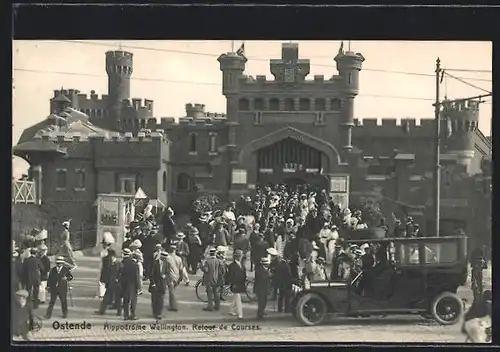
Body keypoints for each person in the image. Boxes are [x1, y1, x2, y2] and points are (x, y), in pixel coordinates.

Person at [95, 249, 120, 315]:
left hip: (110, 281)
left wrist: (102, 279)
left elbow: (103, 271)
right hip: (113, 281)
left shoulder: (106, 260)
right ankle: (118, 310)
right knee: (115, 296)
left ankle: (102, 311)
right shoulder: (116, 263)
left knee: (107, 296)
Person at [202, 247, 225, 312]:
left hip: (209, 280)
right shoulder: (219, 261)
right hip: (217, 280)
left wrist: (201, 267)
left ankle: (210, 307)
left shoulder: (208, 262)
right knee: (216, 293)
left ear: (210, 254)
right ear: (215, 253)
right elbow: (223, 271)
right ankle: (217, 306)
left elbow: (206, 270)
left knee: (209, 294)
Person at [120, 248, 141, 320]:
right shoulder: (135, 265)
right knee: (133, 301)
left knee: (126, 300)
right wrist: (139, 287)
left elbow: (120, 274)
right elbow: (137, 277)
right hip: (133, 285)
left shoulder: (123, 263)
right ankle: (133, 314)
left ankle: (126, 315)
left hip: (124, 284)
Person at [225, 249, 246, 319]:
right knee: (238, 299)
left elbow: (243, 274)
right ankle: (240, 314)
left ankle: (231, 310)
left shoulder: (241, 264)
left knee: (235, 299)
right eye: (241, 255)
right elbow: (230, 276)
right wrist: (232, 283)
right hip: (235, 285)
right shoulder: (232, 266)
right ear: (237, 257)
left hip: (240, 284)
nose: (242, 257)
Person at [165, 244, 186, 311]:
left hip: (170, 276)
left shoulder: (167, 258)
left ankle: (173, 306)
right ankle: (171, 304)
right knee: (173, 291)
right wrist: (181, 278)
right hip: (176, 276)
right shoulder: (179, 258)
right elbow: (181, 269)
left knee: (171, 292)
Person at [149, 251, 169, 320]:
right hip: (155, 283)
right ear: (161, 257)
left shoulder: (166, 263)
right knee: (154, 299)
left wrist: (165, 276)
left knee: (161, 299)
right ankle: (155, 312)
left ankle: (158, 313)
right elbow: (151, 274)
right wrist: (153, 283)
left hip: (162, 284)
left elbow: (167, 273)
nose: (165, 259)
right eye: (164, 258)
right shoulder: (155, 263)